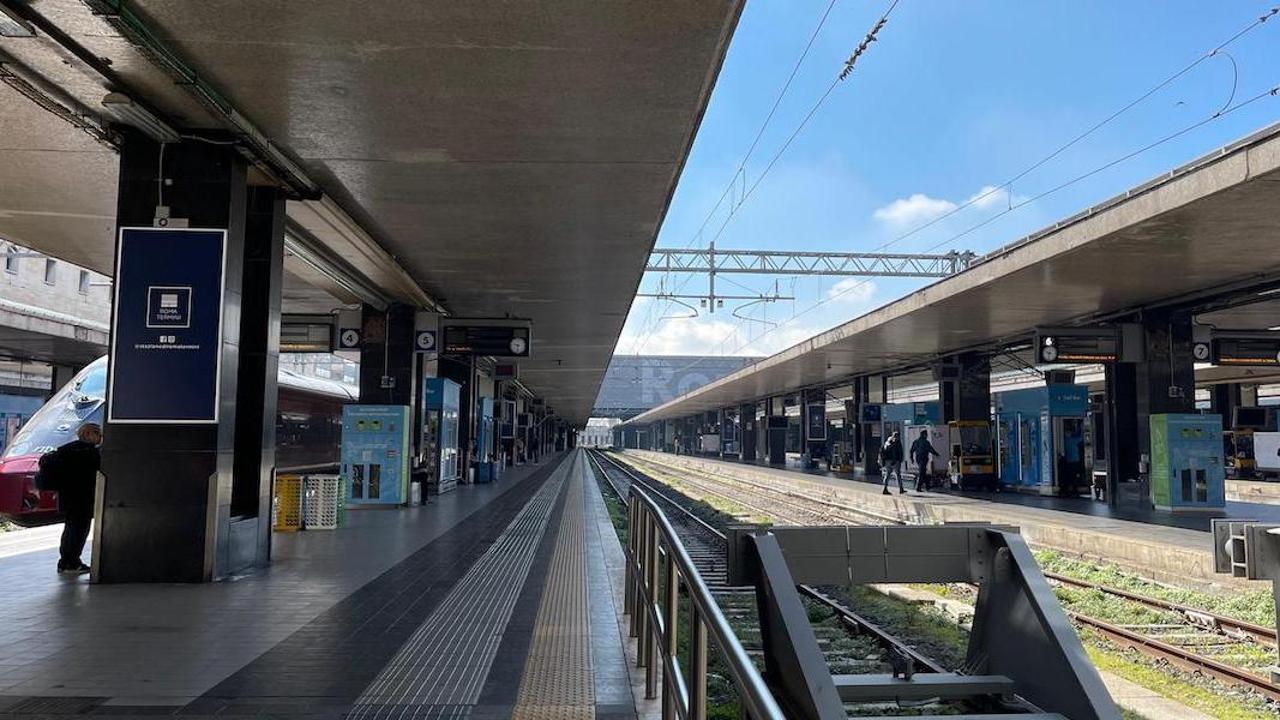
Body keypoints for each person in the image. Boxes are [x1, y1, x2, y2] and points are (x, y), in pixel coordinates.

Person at [46, 422, 102, 574]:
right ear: (89, 435)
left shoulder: (66, 449)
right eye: (98, 434)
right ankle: (71, 562)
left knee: (70, 529)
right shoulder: (87, 452)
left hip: (67, 497)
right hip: (82, 498)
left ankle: (65, 561)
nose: (100, 438)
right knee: (78, 531)